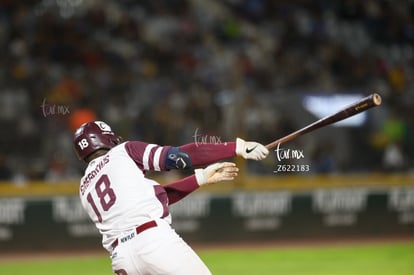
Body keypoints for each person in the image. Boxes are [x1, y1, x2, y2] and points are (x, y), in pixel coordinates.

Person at [73, 121, 269, 275]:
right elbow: (178, 156)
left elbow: (154, 198)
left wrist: (199, 178)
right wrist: (236, 147)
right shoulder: (123, 151)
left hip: (122, 259)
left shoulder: (84, 187)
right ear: (107, 139)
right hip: (153, 241)